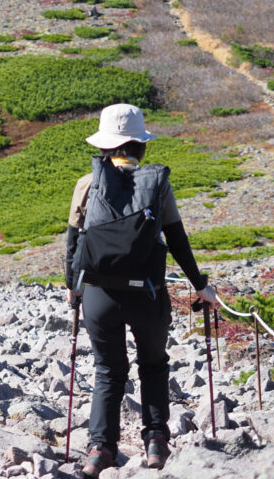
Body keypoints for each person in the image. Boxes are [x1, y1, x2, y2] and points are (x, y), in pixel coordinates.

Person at [65, 103, 219, 477]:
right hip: (147, 293)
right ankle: (155, 443)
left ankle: (99, 450)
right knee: (153, 364)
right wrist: (202, 287)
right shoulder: (156, 183)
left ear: (105, 145)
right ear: (140, 145)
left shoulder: (87, 184)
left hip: (100, 295)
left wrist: (73, 288)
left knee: (108, 371)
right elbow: (178, 241)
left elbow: (72, 243)